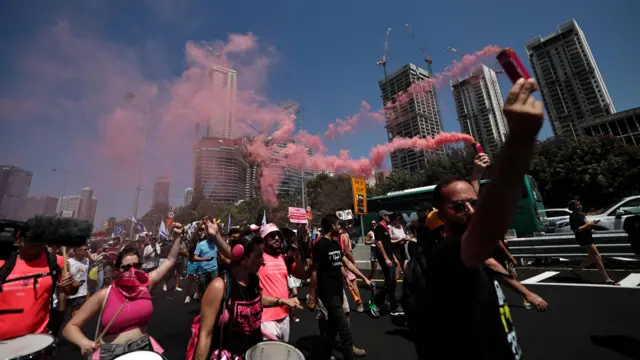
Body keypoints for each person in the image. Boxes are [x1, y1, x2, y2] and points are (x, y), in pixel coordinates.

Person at [417, 78, 548, 359]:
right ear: (439, 215)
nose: (471, 211)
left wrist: (476, 177)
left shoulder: (471, 250)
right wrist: (520, 138)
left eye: (474, 204)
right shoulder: (445, 257)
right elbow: (483, 229)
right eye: (458, 207)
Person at [62, 223, 186, 359]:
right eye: (126, 267)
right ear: (117, 270)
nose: (132, 270)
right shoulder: (105, 294)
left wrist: (178, 236)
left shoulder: (145, 284)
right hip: (112, 352)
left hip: (143, 347)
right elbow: (70, 327)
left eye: (136, 266)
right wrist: (84, 343)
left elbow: (170, 260)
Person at [195, 231, 301, 360]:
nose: (263, 261)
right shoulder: (219, 287)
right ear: (244, 257)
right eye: (258, 255)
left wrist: (281, 301)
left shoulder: (253, 279)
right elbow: (205, 335)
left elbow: (258, 299)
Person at [0, 217, 79, 341]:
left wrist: (69, 285)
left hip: (36, 341)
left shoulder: (56, 261)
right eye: (33, 239)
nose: (38, 243)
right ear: (19, 240)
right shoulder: (3, 261)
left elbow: (70, 291)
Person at [307, 214, 372, 360]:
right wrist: (312, 296)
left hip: (338, 289)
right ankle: (348, 354)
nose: (341, 227)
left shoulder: (335, 243)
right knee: (344, 329)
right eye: (338, 224)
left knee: (333, 326)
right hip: (328, 292)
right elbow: (314, 271)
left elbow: (345, 263)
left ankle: (325, 351)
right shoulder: (321, 245)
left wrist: (363, 277)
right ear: (332, 226)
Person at [258, 223, 308, 342]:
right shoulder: (258, 258)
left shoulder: (283, 259)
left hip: (284, 316)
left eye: (278, 236)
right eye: (272, 235)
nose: (277, 238)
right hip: (266, 319)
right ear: (263, 240)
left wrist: (298, 254)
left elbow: (303, 275)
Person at [569, 199, 618, 285]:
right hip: (583, 238)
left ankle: (577, 270)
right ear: (572, 207)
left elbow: (585, 224)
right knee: (597, 256)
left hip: (588, 236)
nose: (579, 206)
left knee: (594, 257)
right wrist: (588, 225)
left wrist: (592, 224)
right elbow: (576, 229)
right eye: (577, 205)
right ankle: (606, 278)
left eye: (579, 204)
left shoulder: (581, 214)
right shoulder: (573, 216)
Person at [372, 210, 403, 316]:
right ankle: (376, 301)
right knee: (390, 282)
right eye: (388, 215)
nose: (390, 217)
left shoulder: (385, 228)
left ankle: (392, 305)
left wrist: (394, 259)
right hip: (385, 258)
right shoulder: (379, 228)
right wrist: (386, 258)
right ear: (383, 217)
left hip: (390, 257)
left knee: (392, 282)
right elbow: (379, 244)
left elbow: (388, 245)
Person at [338, 222, 363, 312]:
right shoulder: (345, 235)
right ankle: (360, 304)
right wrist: (353, 262)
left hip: (339, 262)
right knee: (352, 283)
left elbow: (347, 251)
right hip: (344, 262)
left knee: (344, 283)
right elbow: (348, 251)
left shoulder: (338, 236)